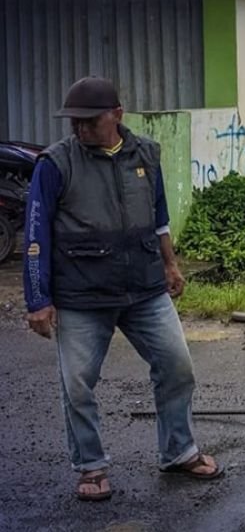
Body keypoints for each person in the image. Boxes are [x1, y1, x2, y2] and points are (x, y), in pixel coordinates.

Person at [23, 76, 222, 501]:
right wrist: (38, 300)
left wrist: (170, 265)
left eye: (89, 121)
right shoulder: (56, 164)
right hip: (82, 294)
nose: (79, 129)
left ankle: (179, 451)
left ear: (116, 115)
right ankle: (91, 466)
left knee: (176, 367)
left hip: (145, 289)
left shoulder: (146, 154)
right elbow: (36, 235)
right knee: (78, 384)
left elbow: (160, 216)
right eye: (74, 121)